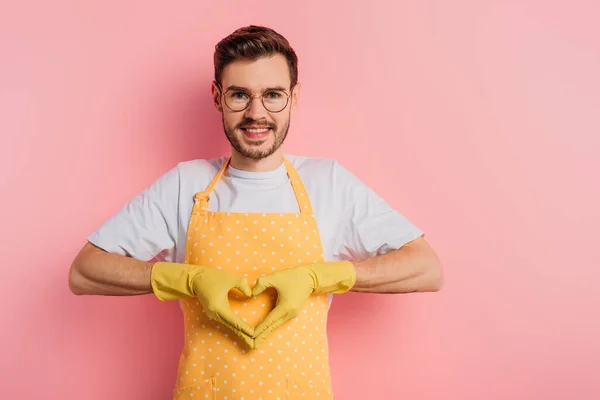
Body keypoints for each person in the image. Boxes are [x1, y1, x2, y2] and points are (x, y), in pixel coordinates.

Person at [69, 25, 443, 400]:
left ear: (294, 98)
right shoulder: (185, 185)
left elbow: (426, 267)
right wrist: (184, 279)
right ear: (217, 97)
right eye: (239, 95)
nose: (256, 113)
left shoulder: (328, 183)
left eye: (273, 95)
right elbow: (85, 271)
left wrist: (322, 276)